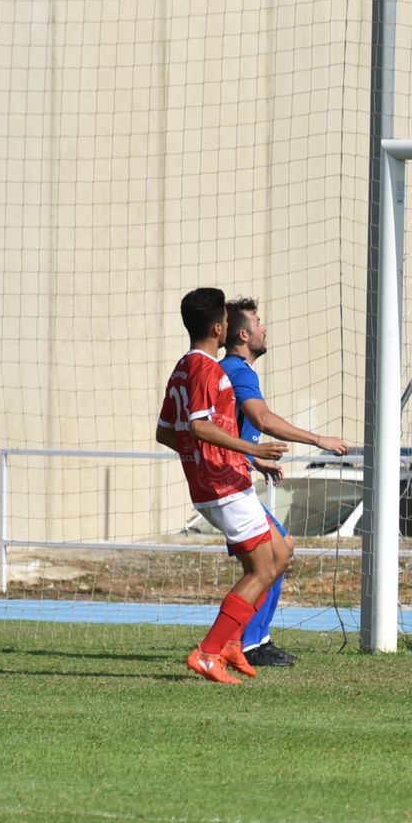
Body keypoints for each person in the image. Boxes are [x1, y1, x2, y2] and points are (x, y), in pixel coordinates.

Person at [155, 288, 290, 684]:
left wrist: (235, 458)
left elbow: (167, 432)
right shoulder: (206, 370)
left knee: (280, 553)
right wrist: (249, 447)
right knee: (263, 568)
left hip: (226, 478)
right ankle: (209, 652)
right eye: (228, 322)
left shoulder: (182, 367)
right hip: (222, 487)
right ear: (218, 328)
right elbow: (197, 426)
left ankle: (231, 643)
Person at [219, 297, 350, 667]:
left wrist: (254, 459)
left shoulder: (227, 369)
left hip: (235, 478)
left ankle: (246, 640)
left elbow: (221, 430)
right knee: (275, 557)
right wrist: (318, 440)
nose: (264, 328)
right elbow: (262, 419)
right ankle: (242, 643)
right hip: (230, 487)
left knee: (276, 554)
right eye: (259, 322)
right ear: (243, 334)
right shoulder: (240, 371)